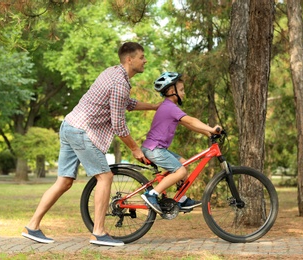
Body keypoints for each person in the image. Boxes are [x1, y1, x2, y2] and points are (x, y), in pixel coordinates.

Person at [21, 42, 159, 247]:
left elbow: (127, 104)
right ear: (130, 59)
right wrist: (135, 148)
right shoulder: (119, 83)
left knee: (64, 182)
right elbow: (118, 124)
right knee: (105, 177)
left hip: (70, 126)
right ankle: (99, 232)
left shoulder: (113, 73)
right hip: (82, 131)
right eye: (141, 57)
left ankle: (31, 226)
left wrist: (156, 106)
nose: (145, 60)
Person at [140, 72, 221, 214]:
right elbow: (190, 120)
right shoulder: (169, 107)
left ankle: (180, 199)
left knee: (184, 164)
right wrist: (211, 128)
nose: (184, 93)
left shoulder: (169, 107)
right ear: (172, 91)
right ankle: (151, 194)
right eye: (182, 90)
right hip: (154, 149)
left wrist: (207, 133)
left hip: (158, 148)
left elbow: (187, 124)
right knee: (180, 171)